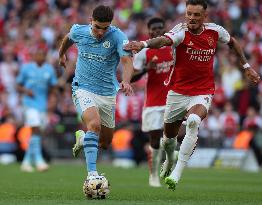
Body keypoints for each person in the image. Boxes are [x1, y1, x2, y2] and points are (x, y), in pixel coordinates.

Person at [124, 0, 260, 190]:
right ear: (185, 13)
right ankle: (169, 161)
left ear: (205, 16)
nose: (192, 18)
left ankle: (177, 172)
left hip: (203, 90)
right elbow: (163, 40)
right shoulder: (180, 32)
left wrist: (246, 66)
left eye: (196, 15)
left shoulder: (215, 31)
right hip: (177, 92)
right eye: (189, 14)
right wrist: (143, 44)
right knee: (168, 139)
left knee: (194, 121)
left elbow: (232, 42)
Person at [58, 5, 133, 179]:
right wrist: (61, 54)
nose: (100, 32)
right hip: (82, 88)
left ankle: (83, 139)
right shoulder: (79, 31)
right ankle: (92, 175)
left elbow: (127, 62)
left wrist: (126, 81)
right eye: (97, 27)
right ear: (90, 21)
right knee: (94, 125)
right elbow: (68, 38)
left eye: (105, 28)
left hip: (107, 93)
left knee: (105, 143)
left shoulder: (118, 37)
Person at [131, 17, 177, 187]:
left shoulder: (174, 46)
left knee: (171, 138)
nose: (157, 31)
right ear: (149, 31)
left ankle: (170, 160)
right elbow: (131, 77)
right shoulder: (144, 51)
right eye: (154, 29)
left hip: (173, 99)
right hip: (153, 101)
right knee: (155, 140)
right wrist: (145, 69)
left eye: (160, 28)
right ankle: (153, 175)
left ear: (165, 29)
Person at [16, 44, 58, 172]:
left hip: (42, 105)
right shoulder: (26, 68)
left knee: (37, 133)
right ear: (34, 56)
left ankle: (26, 161)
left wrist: (52, 101)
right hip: (29, 103)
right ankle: (39, 161)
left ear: (45, 57)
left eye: (42, 55)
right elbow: (18, 85)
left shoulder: (49, 69)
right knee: (35, 128)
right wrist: (25, 90)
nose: (40, 57)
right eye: (38, 55)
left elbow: (53, 88)